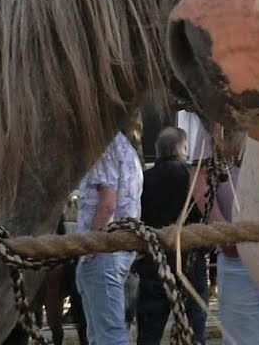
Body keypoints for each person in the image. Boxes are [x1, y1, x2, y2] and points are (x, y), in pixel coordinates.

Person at [179, 111, 259, 345]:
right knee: (239, 339)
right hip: (237, 252)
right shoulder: (219, 118)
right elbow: (199, 178)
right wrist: (221, 227)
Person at [135, 127, 209, 345]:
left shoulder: (143, 179)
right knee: (194, 331)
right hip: (190, 263)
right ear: (184, 148)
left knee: (149, 334)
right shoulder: (192, 178)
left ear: (158, 151)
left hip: (154, 262)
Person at [76, 132, 144, 345]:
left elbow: (107, 205)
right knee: (104, 334)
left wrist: (90, 251)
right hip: (117, 252)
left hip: (102, 253)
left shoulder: (104, 148)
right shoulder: (125, 148)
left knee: (109, 337)